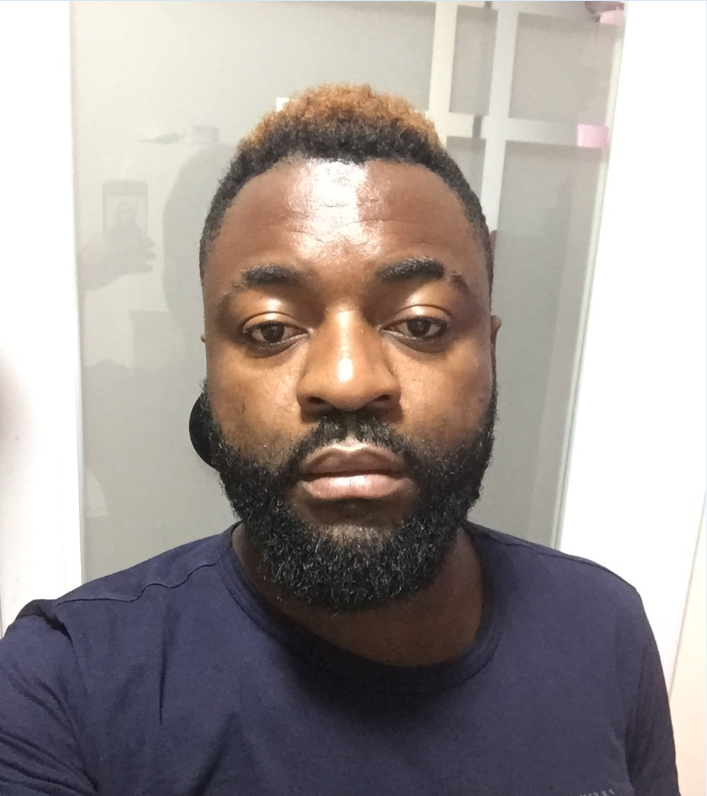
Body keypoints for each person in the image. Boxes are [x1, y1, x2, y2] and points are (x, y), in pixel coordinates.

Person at [0, 84, 679, 795]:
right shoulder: (65, 688)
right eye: (270, 330)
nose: (348, 381)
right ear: (211, 369)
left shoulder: (603, 630)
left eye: (421, 324)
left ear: (490, 353)